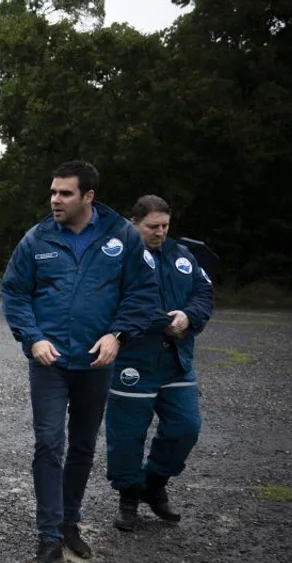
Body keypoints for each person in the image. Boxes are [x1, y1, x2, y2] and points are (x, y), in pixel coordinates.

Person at [1, 160, 160, 563]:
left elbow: (142, 292)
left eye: (65, 193)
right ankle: (49, 536)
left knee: (83, 447)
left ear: (88, 197)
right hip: (49, 363)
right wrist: (33, 338)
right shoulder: (36, 239)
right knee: (49, 443)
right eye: (53, 192)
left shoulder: (122, 236)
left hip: (95, 362)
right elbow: (15, 293)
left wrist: (116, 334)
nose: (55, 199)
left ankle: (70, 521)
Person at [107, 195, 215, 531]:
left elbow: (204, 293)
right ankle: (128, 496)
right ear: (134, 223)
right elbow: (113, 301)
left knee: (186, 427)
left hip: (176, 359)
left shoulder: (182, 255)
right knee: (126, 435)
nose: (160, 233)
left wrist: (188, 316)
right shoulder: (116, 256)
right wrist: (160, 320)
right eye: (153, 226)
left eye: (165, 226)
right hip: (133, 360)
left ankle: (153, 485)